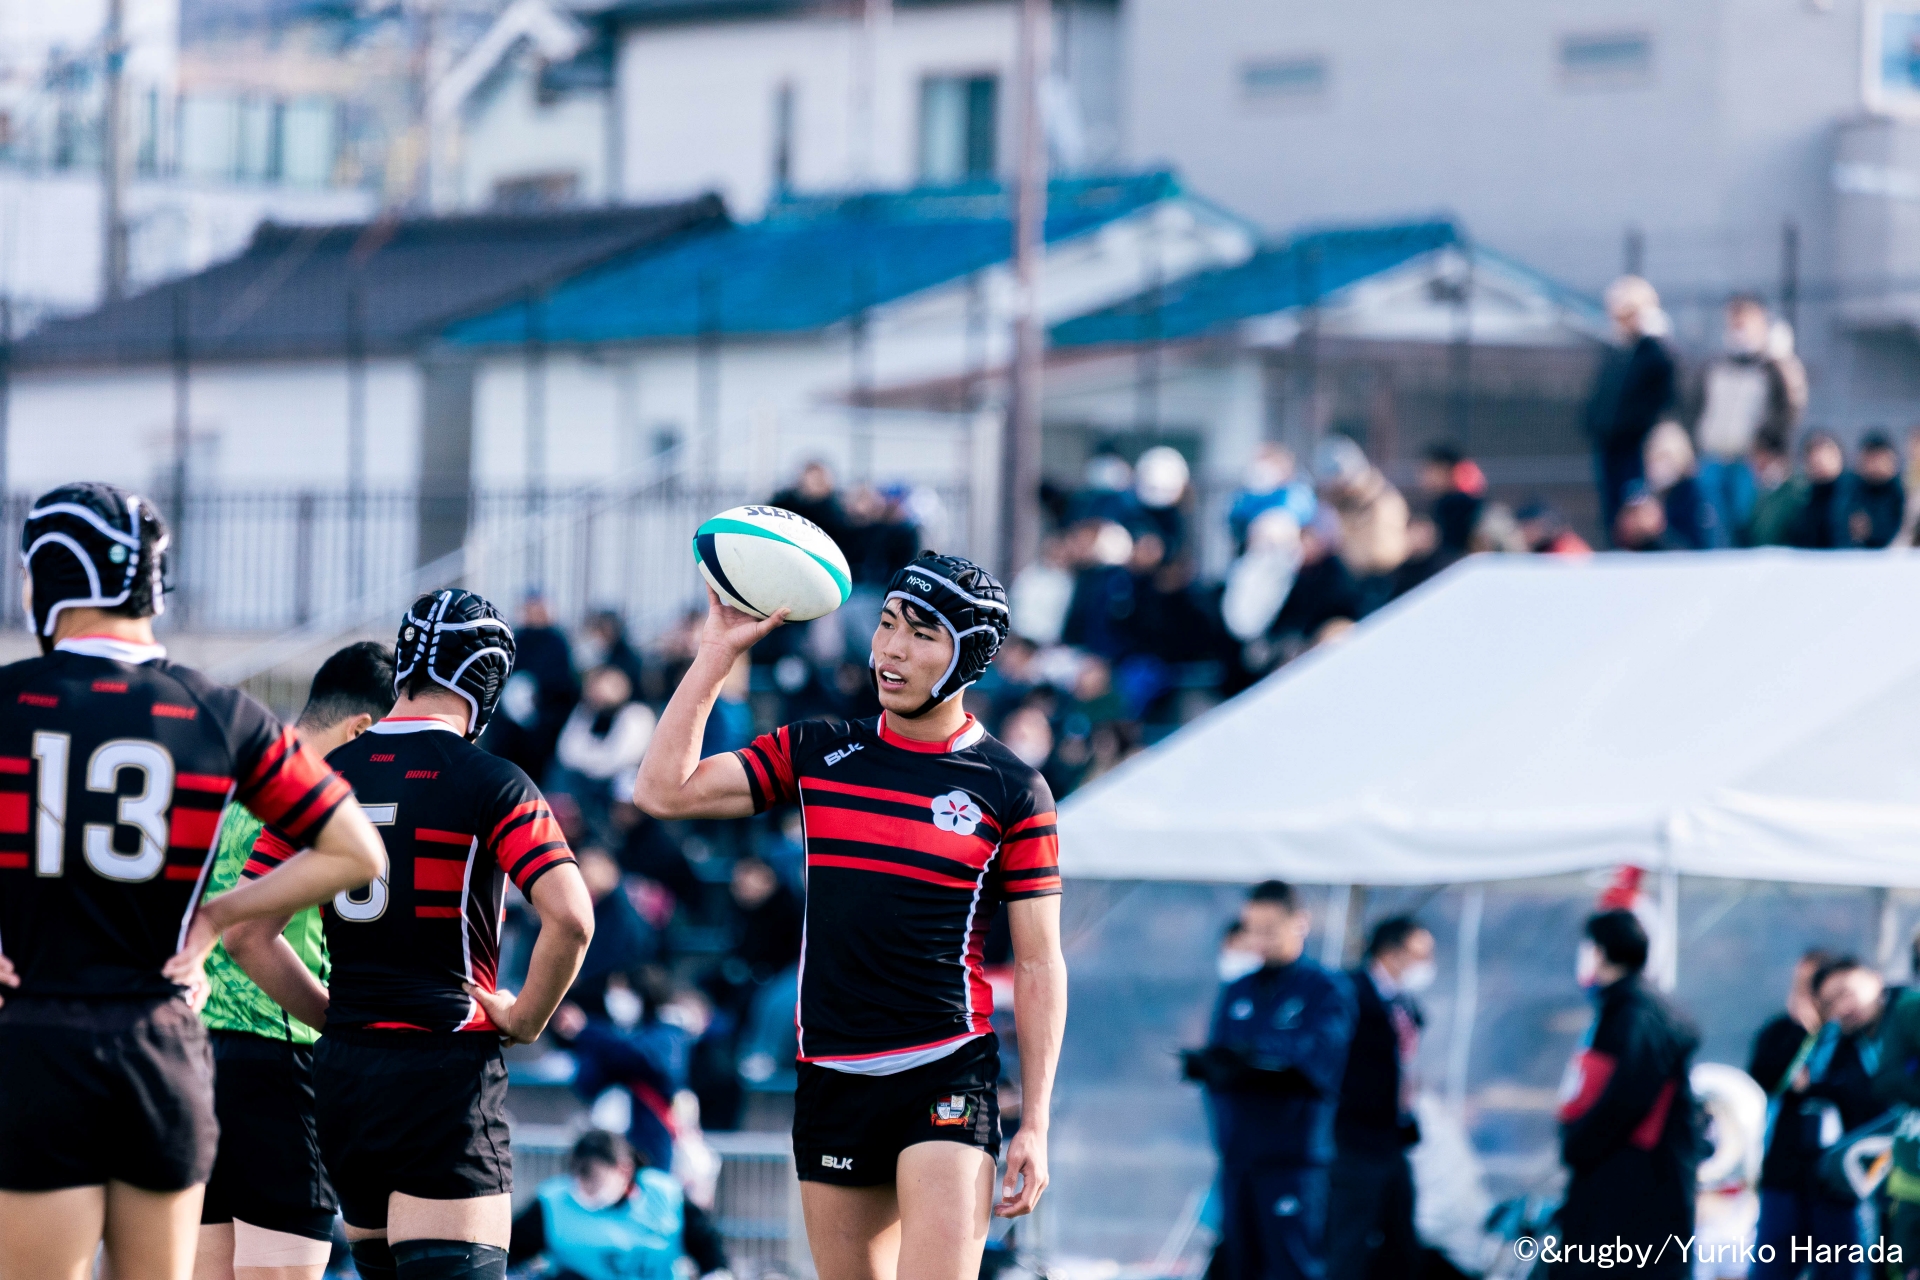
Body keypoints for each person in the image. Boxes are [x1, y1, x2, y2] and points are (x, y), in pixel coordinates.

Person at [633, 551, 1067, 1280]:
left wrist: (1038, 1122)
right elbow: (661, 791)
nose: (891, 649)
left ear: (968, 658)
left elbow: (1039, 961)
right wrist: (715, 654)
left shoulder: (1014, 790)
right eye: (887, 624)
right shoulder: (820, 750)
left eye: (922, 634)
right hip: (832, 1073)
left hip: (946, 1067)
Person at [0, 483, 387, 1280]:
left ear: (54, 577)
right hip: (163, 1045)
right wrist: (215, 916)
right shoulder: (215, 711)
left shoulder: (11, 703)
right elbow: (356, 851)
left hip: (42, 1038)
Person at [230, 588, 596, 1280]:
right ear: (487, 682)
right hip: (443, 1072)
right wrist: (525, 1019)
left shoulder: (320, 777)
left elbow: (247, 933)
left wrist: (334, 1018)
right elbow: (573, 918)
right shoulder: (493, 781)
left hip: (345, 1077)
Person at [197, 641, 398, 1280]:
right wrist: (343, 1026)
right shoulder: (318, 800)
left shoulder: (225, 774)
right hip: (279, 1054)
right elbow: (248, 936)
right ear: (360, 730)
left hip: (192, 1055)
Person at [1183, 881, 1356, 1280]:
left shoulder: (1325, 988)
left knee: (1290, 1266)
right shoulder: (1238, 989)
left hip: (1292, 1161)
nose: (1260, 939)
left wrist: (1258, 1057)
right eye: (1252, 929)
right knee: (1238, 1265)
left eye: (1270, 929)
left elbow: (1318, 1058)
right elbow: (1220, 1053)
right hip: (1238, 1159)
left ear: (1300, 923)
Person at [1550, 910, 1699, 1280]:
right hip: (1627, 1180)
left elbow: (1626, 1098)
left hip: (1630, 1184)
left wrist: (1579, 1144)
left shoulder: (1636, 1016)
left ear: (1599, 952)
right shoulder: (1624, 1009)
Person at [1749, 956, 1890, 1280]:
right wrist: (1800, 1029)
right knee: (1772, 1265)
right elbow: (1765, 1074)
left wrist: (1818, 1087)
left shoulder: (1868, 1037)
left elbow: (1873, 1097)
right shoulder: (1794, 1033)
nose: (1838, 1005)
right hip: (1786, 1178)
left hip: (1845, 1183)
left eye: (1842, 993)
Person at [1328, 917, 1434, 1280]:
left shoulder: (1403, 1003)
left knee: (1401, 1246)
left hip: (1392, 1140)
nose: (1426, 965)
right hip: (1354, 1142)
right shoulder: (1349, 994)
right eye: (1419, 954)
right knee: (1349, 1243)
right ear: (1392, 952)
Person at [508, 1130, 728, 1280]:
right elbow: (511, 1250)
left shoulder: (665, 1195)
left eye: (594, 1179)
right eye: (578, 1176)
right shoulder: (553, 1203)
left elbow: (709, 1249)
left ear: (624, 1171)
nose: (583, 1187)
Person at [1690, 296, 1807, 538]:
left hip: (1751, 460)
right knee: (1714, 524)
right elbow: (1694, 407)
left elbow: (1787, 411)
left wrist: (1770, 446)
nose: (1739, 326)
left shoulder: (1773, 367)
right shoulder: (1713, 366)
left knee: (1747, 520)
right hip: (1712, 456)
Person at [1584, 276, 1679, 543]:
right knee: (1613, 508)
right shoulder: (1618, 352)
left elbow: (1663, 394)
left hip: (1637, 444)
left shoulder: (1653, 352)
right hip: (1610, 442)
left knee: (1636, 507)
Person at [1788, 431, 1860, 550]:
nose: (1820, 462)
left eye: (1827, 456)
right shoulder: (1804, 500)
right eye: (1814, 459)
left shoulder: (1857, 493)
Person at [1852, 431, 1906, 549]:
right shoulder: (1851, 492)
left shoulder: (1905, 493)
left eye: (1880, 458)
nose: (1875, 465)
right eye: (1870, 459)